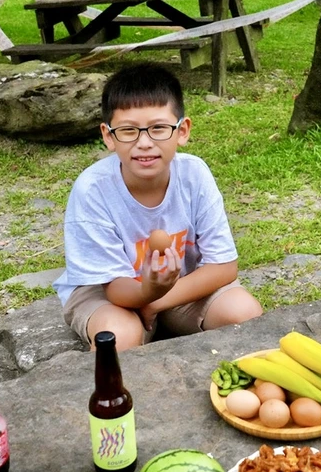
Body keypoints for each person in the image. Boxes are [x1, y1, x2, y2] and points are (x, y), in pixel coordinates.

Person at [53, 62, 263, 350]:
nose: (144, 143)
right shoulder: (93, 190)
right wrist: (147, 291)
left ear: (182, 131)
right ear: (107, 136)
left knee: (244, 313)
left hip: (181, 287)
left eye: (159, 128)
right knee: (117, 338)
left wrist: (157, 300)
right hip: (107, 293)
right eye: (128, 131)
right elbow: (116, 290)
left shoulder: (194, 174)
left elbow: (223, 266)